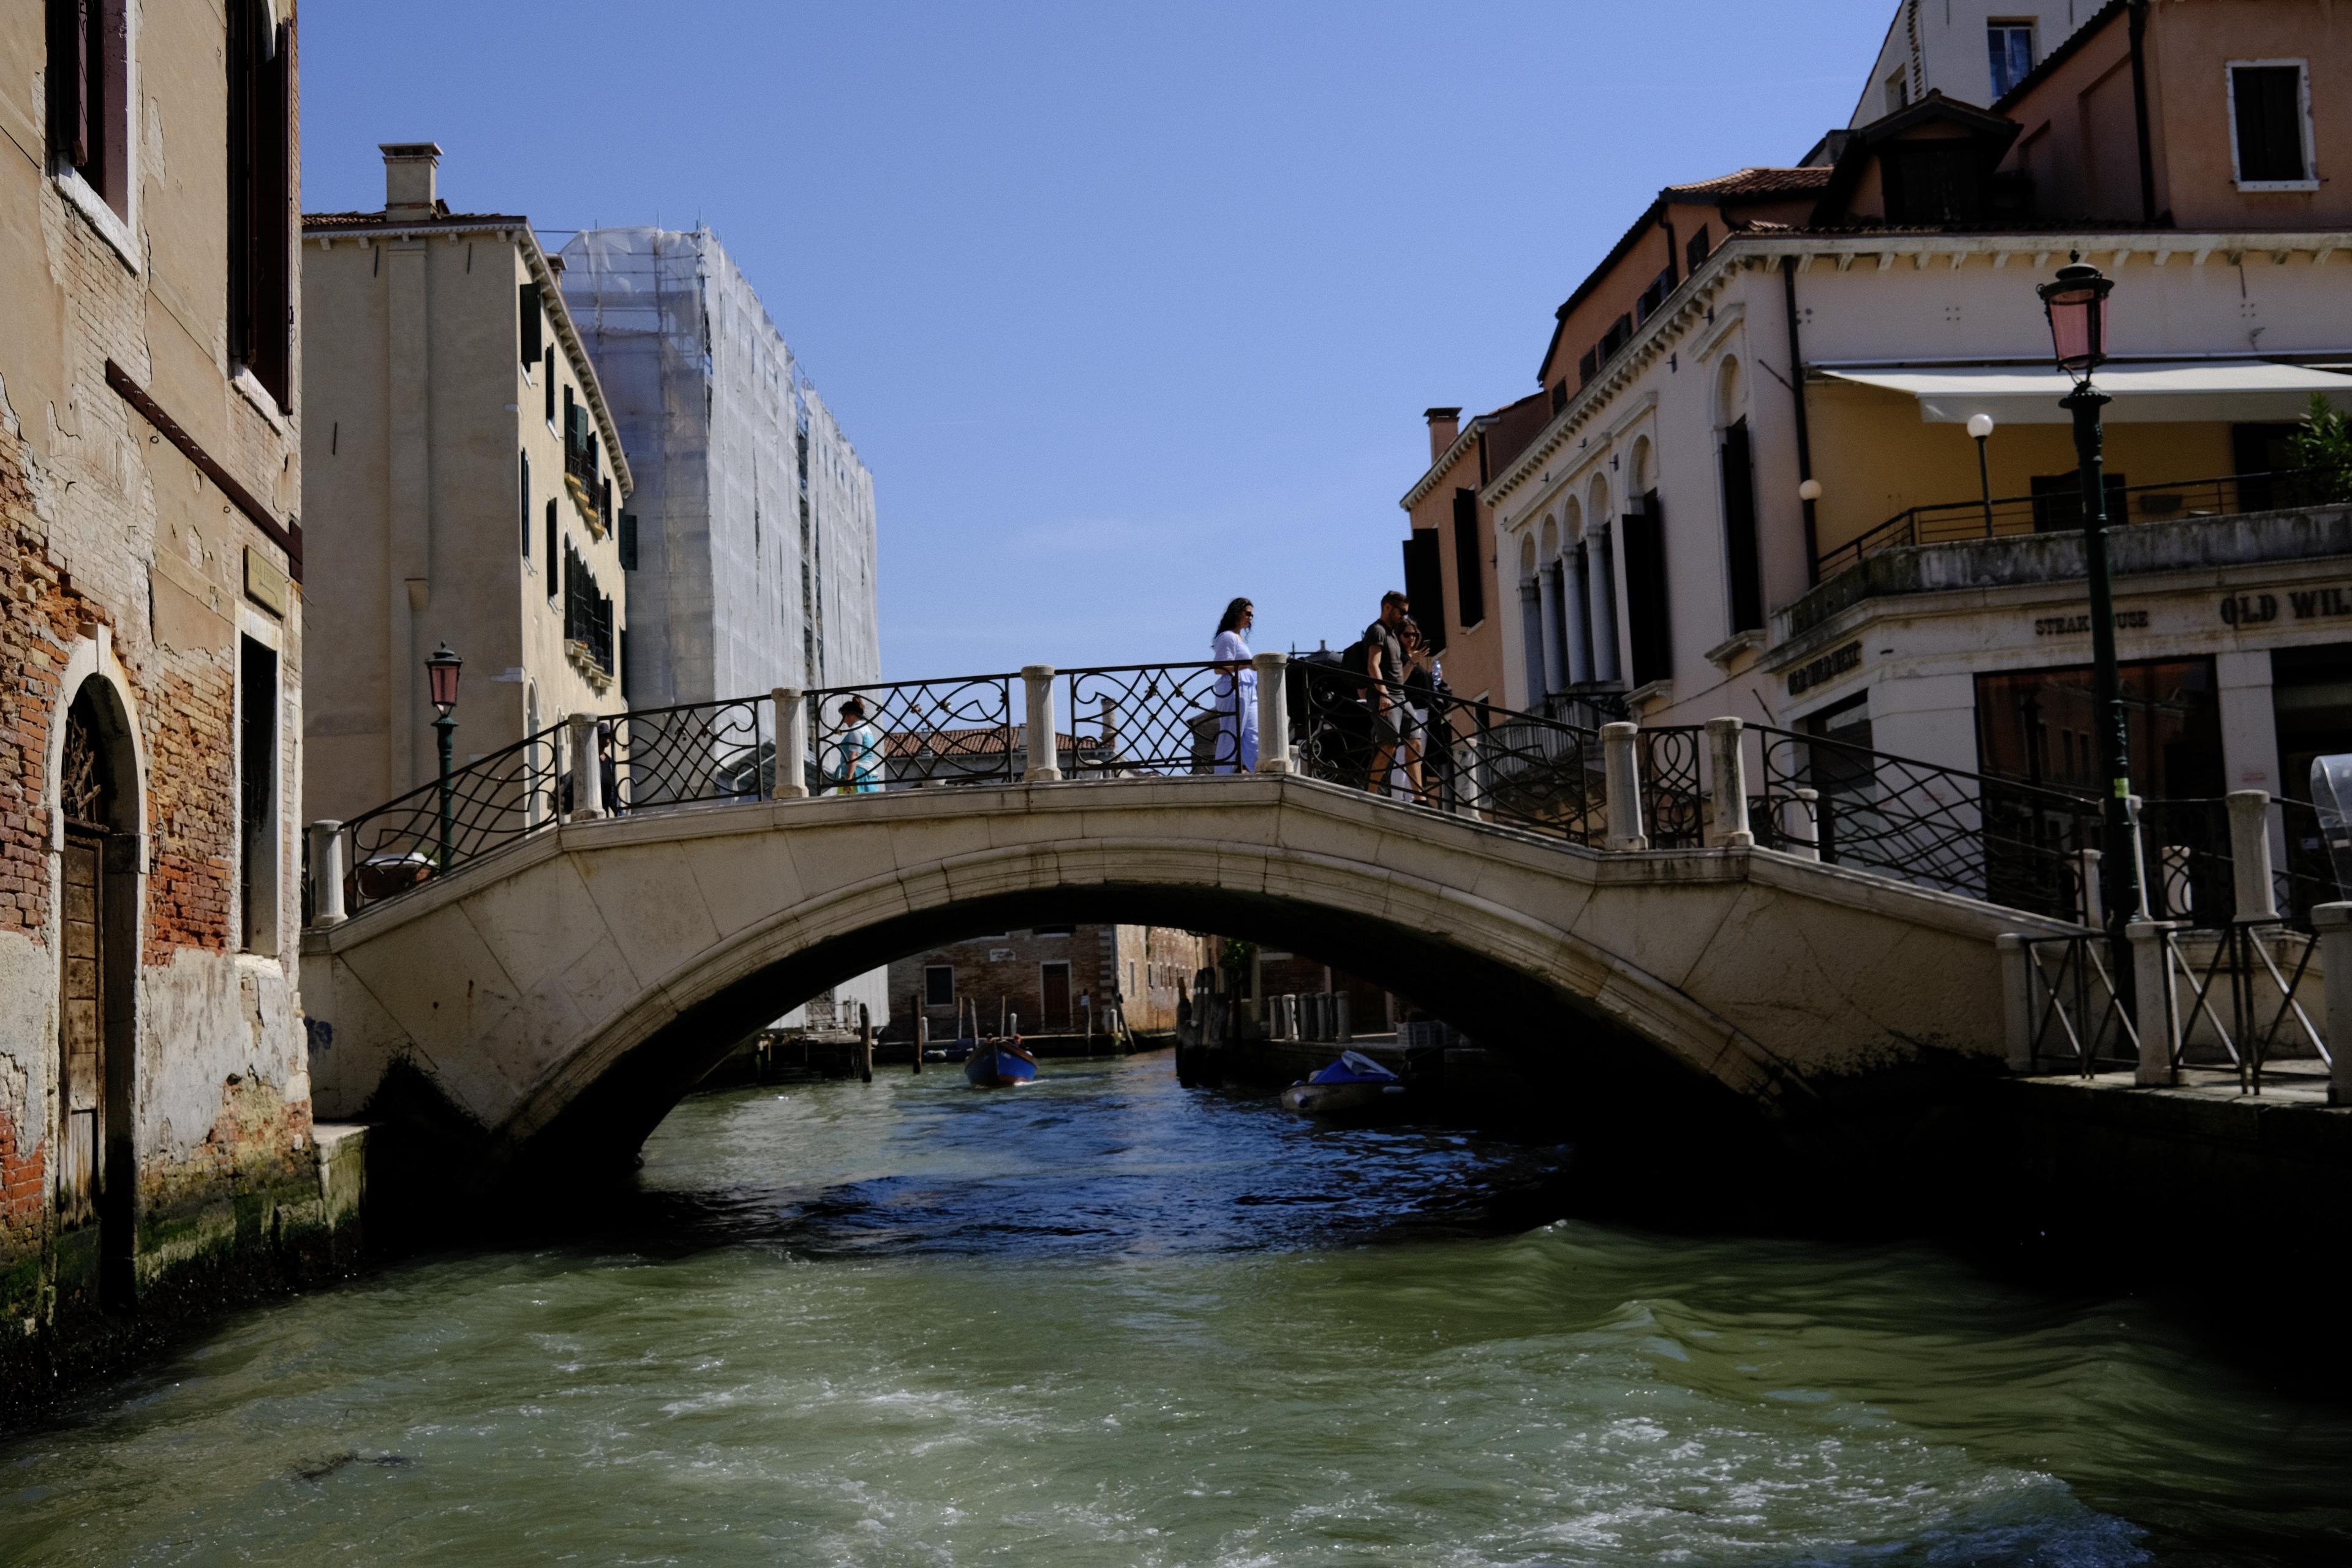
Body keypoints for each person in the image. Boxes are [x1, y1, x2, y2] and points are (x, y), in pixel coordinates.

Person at [1360, 590, 1409, 793]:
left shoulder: (1392, 634)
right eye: (1401, 612)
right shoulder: (1377, 630)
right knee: (1389, 744)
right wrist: (1383, 694)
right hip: (1386, 696)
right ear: (1388, 607)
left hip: (1401, 696)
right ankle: (1370, 792)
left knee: (1414, 742)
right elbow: (1373, 664)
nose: (1404, 617)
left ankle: (1418, 796)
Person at [1210, 596, 1258, 774]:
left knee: (1254, 735)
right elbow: (1219, 667)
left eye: (1252, 615)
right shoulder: (1227, 637)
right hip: (1234, 688)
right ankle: (1222, 774)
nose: (1250, 618)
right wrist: (1248, 664)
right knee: (1231, 733)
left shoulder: (1238, 638)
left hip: (1248, 688)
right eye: (1248, 613)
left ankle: (1257, 770)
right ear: (1237, 613)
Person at [833, 696, 883, 793]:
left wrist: (849, 779)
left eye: (844, 716)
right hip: (866, 774)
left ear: (850, 715)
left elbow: (855, 755)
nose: (843, 721)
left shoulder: (856, 730)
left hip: (857, 775)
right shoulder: (866, 729)